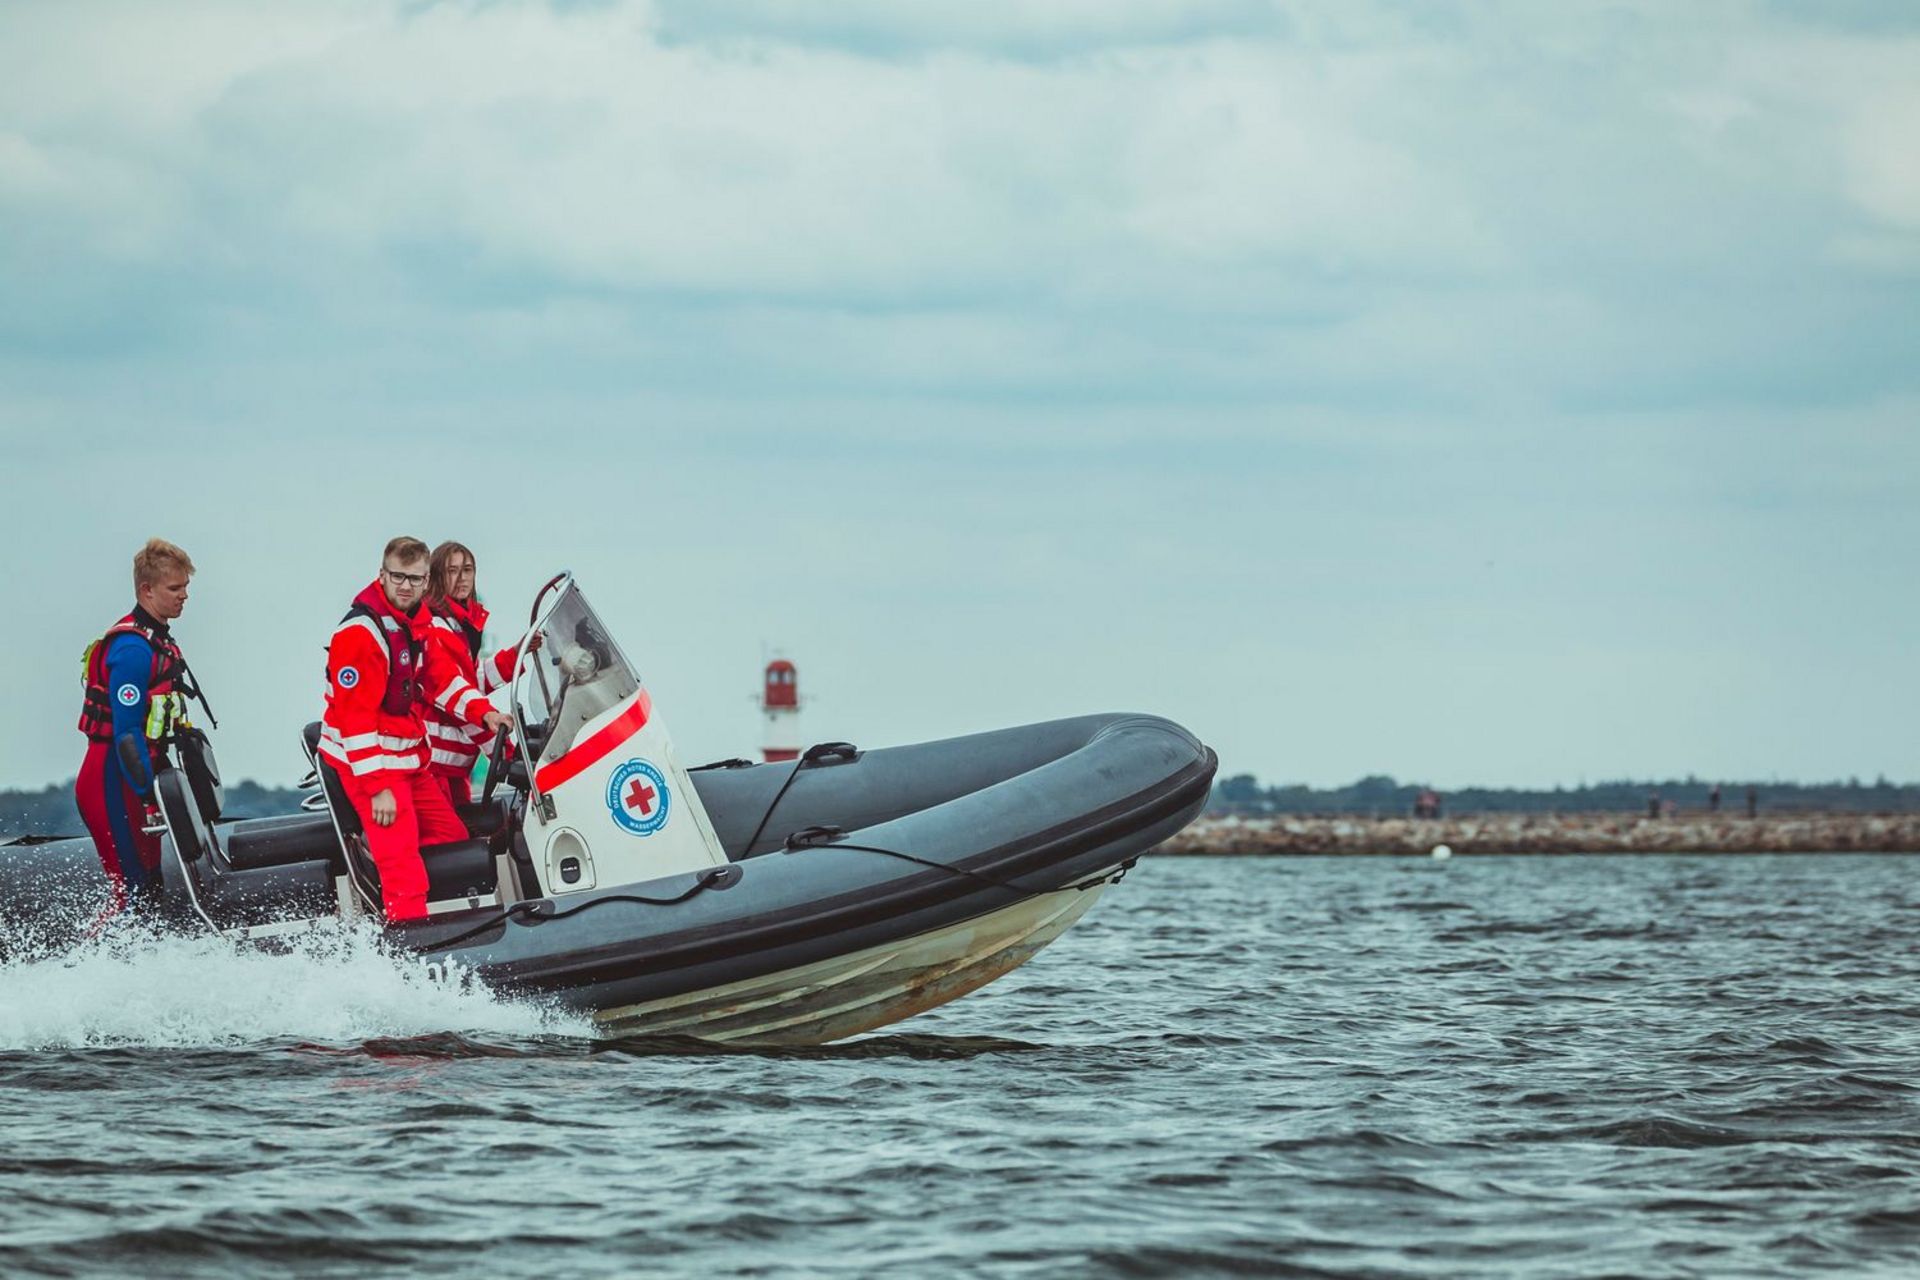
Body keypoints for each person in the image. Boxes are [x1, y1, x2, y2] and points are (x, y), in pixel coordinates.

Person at [318, 537, 508, 923]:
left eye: (414, 579)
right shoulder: (360, 635)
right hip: (369, 766)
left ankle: (442, 926)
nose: (405, 586)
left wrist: (485, 713)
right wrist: (378, 788)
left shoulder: (417, 622)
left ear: (425, 582)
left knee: (451, 836)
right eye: (398, 577)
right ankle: (408, 947)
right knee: (402, 865)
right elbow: (355, 721)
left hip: (405, 758)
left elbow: (442, 679)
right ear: (382, 575)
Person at [75, 538, 196, 915]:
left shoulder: (158, 639)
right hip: (112, 783)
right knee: (131, 895)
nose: (184, 597)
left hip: (135, 782)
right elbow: (128, 735)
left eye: (186, 588)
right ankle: (91, 970)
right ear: (146, 590)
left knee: (151, 889)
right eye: (174, 588)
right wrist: (148, 797)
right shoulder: (132, 650)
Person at [422, 540, 536, 806]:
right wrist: (504, 747)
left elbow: (473, 680)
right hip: (434, 765)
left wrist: (518, 652)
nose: (462, 578)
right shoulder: (436, 627)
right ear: (438, 576)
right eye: (452, 571)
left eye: (468, 569)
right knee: (452, 842)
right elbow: (454, 691)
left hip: (452, 767)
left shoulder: (458, 626)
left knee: (471, 835)